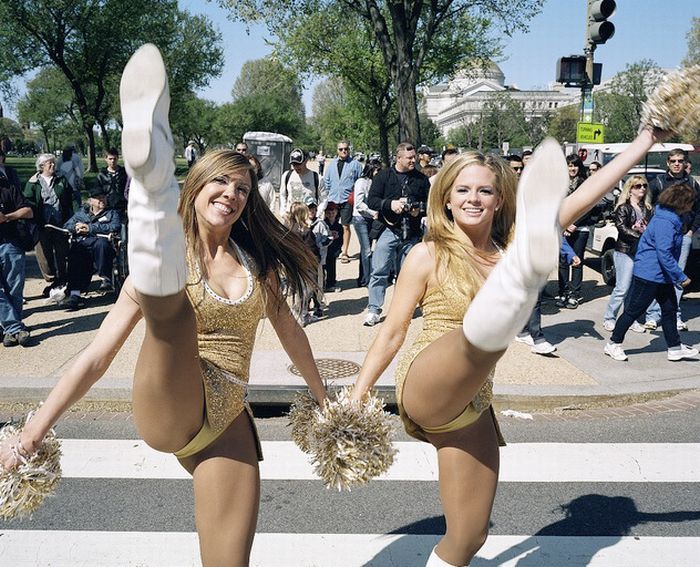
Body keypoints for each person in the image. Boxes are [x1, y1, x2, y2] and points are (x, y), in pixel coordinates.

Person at [0, 44, 326, 566]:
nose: (231, 193)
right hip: (169, 399)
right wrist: (30, 438)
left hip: (227, 418)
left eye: (242, 188)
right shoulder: (169, 269)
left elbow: (291, 333)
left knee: (229, 562)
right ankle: (151, 186)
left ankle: (151, 187)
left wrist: (325, 403)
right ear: (194, 186)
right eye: (220, 180)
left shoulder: (255, 262)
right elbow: (96, 357)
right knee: (169, 314)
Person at [350, 125, 672, 567]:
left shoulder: (506, 247)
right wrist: (356, 395)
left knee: (470, 535)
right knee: (475, 337)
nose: (473, 199)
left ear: (500, 199)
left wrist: (646, 140)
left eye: (485, 190)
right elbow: (392, 331)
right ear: (445, 197)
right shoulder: (427, 253)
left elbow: (589, 195)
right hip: (428, 379)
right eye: (462, 189)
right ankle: (518, 286)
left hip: (474, 401)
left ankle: (519, 280)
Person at [604, 183, 698, 362]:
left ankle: (674, 348)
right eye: (690, 201)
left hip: (662, 276)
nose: (692, 205)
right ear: (681, 202)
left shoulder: (670, 217)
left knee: (669, 310)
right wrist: (680, 276)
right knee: (633, 311)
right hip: (650, 274)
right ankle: (613, 344)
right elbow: (664, 253)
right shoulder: (665, 222)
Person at [363, 142, 430, 327]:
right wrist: (390, 204)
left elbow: (430, 203)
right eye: (409, 158)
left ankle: (403, 311)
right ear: (398, 158)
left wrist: (419, 209)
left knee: (407, 275)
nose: (413, 160)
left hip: (412, 234)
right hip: (389, 230)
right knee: (379, 271)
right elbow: (372, 201)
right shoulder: (383, 176)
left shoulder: (421, 179)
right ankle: (374, 310)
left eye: (414, 157)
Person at [645, 149, 700, 331]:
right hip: (662, 236)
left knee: (677, 275)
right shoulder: (658, 182)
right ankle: (653, 315)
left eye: (680, 160)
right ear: (667, 163)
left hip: (683, 236)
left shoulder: (692, 183)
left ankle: (674, 314)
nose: (677, 163)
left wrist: (691, 231)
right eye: (673, 161)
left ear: (685, 163)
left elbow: (699, 210)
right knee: (658, 273)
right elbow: (645, 205)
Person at [602, 176, 654, 332]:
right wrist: (642, 237)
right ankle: (609, 318)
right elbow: (622, 228)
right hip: (625, 250)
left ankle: (630, 319)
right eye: (638, 186)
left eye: (644, 185)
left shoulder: (648, 208)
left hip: (641, 252)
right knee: (622, 288)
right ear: (630, 189)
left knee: (634, 289)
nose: (642, 188)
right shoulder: (623, 208)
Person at [61, 185, 122, 310]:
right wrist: (75, 228)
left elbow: (115, 227)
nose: (101, 200)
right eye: (98, 198)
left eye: (103, 197)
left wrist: (90, 228)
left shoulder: (112, 213)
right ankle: (75, 294)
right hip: (84, 243)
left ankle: (105, 276)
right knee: (75, 251)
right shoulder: (82, 213)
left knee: (101, 244)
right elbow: (67, 225)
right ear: (90, 201)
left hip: (103, 243)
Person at [23, 153, 74, 294]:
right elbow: (28, 202)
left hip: (59, 223)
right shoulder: (33, 182)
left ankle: (63, 279)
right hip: (41, 224)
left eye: (53, 163)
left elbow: (71, 198)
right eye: (49, 163)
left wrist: (73, 217)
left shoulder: (61, 179)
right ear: (41, 166)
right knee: (44, 255)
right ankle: (52, 280)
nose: (53, 165)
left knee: (62, 252)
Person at [0, 175, 34, 347]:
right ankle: (14, 328)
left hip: (10, 243)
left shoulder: (9, 187)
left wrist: (6, 217)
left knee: (14, 289)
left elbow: (28, 211)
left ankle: (9, 330)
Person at [556, 154, 589, 308]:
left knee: (577, 261)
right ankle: (563, 292)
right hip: (561, 227)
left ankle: (574, 294)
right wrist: (564, 224)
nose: (572, 168)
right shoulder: (559, 184)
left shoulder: (584, 183)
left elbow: (589, 206)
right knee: (563, 261)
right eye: (569, 165)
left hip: (580, 228)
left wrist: (574, 223)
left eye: (575, 165)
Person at [323, 140, 363, 264]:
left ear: (349, 150)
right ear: (337, 150)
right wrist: (328, 195)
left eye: (345, 149)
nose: (343, 151)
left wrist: (354, 195)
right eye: (341, 149)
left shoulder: (355, 164)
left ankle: (344, 252)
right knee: (331, 225)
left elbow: (359, 181)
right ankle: (333, 249)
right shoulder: (331, 165)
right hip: (333, 199)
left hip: (347, 200)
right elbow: (327, 182)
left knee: (345, 226)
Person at [352, 159, 381, 287]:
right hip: (360, 219)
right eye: (377, 170)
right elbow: (359, 204)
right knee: (367, 250)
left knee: (366, 249)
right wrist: (372, 212)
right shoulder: (361, 182)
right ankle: (367, 279)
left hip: (370, 219)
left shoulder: (374, 182)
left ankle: (363, 277)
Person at [279, 148, 327, 217]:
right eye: (294, 164)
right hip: (291, 218)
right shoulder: (286, 176)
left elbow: (324, 199)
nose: (296, 167)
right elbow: (282, 195)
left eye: (299, 164)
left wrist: (316, 215)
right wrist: (283, 212)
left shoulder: (317, 178)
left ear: (306, 161)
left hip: (308, 218)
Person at [96, 147, 128, 214]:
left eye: (114, 159)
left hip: (122, 207)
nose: (113, 161)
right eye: (110, 159)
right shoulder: (102, 175)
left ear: (118, 158)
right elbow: (98, 191)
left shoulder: (124, 173)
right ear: (106, 159)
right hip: (107, 208)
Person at [322, 202, 343, 292]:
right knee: (322, 268)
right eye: (329, 213)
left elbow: (341, 239)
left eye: (333, 212)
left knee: (332, 267)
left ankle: (331, 284)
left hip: (333, 250)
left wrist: (338, 250)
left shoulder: (339, 226)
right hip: (324, 249)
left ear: (337, 212)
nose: (331, 215)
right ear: (325, 213)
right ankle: (322, 284)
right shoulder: (323, 224)